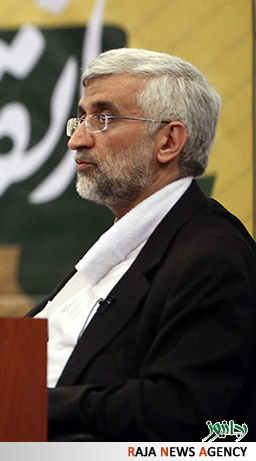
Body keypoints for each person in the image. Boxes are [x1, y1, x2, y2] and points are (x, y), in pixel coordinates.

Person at [28, 47, 256, 441]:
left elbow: (182, 411)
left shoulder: (210, 256)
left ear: (168, 141)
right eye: (80, 118)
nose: (77, 140)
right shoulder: (125, 246)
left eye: (103, 118)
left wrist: (27, 402)